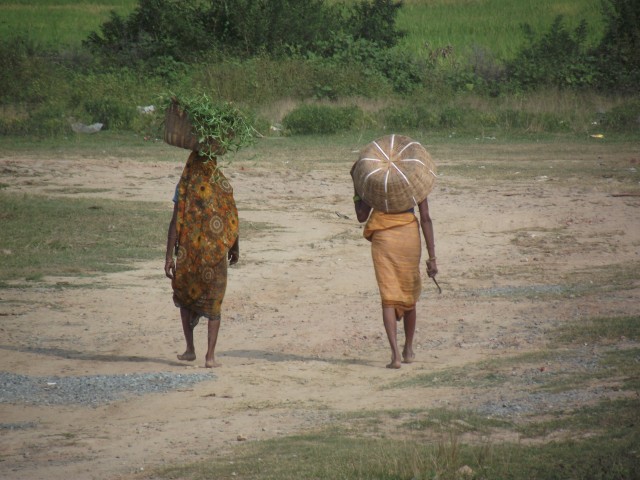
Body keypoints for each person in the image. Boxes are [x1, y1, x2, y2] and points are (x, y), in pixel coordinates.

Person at [165, 150, 239, 368]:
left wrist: (169, 256)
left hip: (189, 254)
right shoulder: (221, 185)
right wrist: (235, 247)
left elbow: (175, 221)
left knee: (185, 296)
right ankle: (210, 357)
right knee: (214, 302)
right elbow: (232, 218)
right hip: (215, 255)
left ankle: (190, 349)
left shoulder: (184, 186)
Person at [352, 181, 437, 369]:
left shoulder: (376, 179)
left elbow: (361, 216)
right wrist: (432, 257)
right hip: (409, 236)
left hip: (384, 238)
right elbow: (425, 218)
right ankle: (408, 349)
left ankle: (395, 355)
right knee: (409, 292)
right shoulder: (413, 177)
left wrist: (357, 186)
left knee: (388, 295)